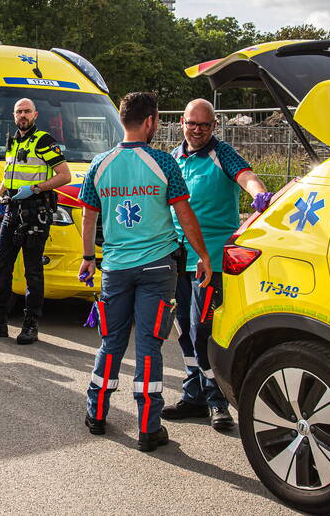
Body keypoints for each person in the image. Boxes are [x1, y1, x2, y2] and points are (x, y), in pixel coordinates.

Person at [77, 92, 212, 452]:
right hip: (157, 268)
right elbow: (184, 213)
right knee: (149, 346)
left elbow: (89, 214)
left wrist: (89, 256)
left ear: (123, 119)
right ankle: (148, 430)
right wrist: (203, 255)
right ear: (151, 121)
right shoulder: (164, 163)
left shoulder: (99, 164)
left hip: (115, 269)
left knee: (111, 342)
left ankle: (97, 414)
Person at [162, 99, 271, 430]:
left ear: (214, 127)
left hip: (211, 261)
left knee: (204, 332)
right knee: (183, 331)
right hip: (178, 257)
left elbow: (247, 175)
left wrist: (259, 193)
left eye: (204, 125)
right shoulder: (174, 158)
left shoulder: (221, 153)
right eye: (192, 124)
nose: (197, 131)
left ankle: (216, 401)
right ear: (182, 122)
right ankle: (194, 394)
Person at [0, 98, 72, 344]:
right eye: (19, 112)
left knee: (33, 271)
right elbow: (9, 174)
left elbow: (64, 175)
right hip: (12, 210)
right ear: (14, 115)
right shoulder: (13, 139)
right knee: (1, 264)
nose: (22, 115)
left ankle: (30, 325)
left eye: (27, 111)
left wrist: (36, 189)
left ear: (35, 114)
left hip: (35, 212)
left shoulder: (44, 141)